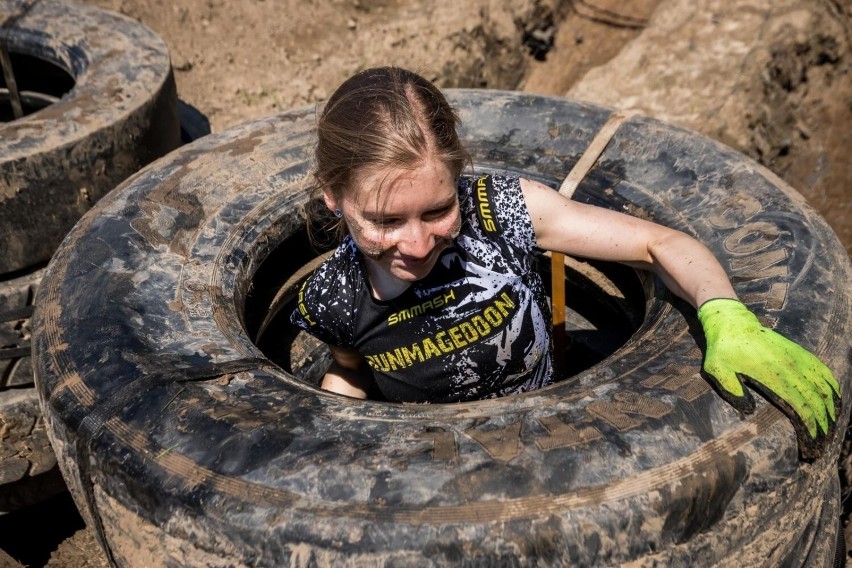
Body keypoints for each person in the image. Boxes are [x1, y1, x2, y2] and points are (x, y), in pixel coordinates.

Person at [291, 66, 839, 455]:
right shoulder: (333, 297)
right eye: (386, 221)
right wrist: (338, 443)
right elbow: (349, 368)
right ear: (334, 198)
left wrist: (727, 316)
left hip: (558, 432)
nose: (416, 244)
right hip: (432, 470)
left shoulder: (499, 212)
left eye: (438, 209)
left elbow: (660, 245)